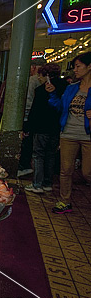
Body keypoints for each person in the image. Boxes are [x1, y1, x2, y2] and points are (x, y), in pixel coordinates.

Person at [46, 52, 91, 214]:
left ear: (89, 66)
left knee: (87, 172)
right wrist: (52, 94)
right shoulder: (72, 89)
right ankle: (64, 201)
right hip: (68, 134)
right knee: (65, 170)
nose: (75, 70)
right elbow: (60, 107)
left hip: (88, 136)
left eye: (78, 66)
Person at [25, 63, 67, 194]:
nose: (39, 78)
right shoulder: (66, 87)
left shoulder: (41, 90)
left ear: (46, 75)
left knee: (38, 155)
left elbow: (35, 111)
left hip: (41, 128)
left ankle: (37, 184)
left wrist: (28, 127)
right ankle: (48, 183)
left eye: (40, 75)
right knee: (51, 155)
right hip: (56, 128)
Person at [18, 59, 45, 177]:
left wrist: (25, 118)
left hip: (29, 117)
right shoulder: (43, 81)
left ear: (33, 67)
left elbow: (28, 101)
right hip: (41, 119)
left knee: (26, 142)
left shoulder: (33, 80)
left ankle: (24, 166)